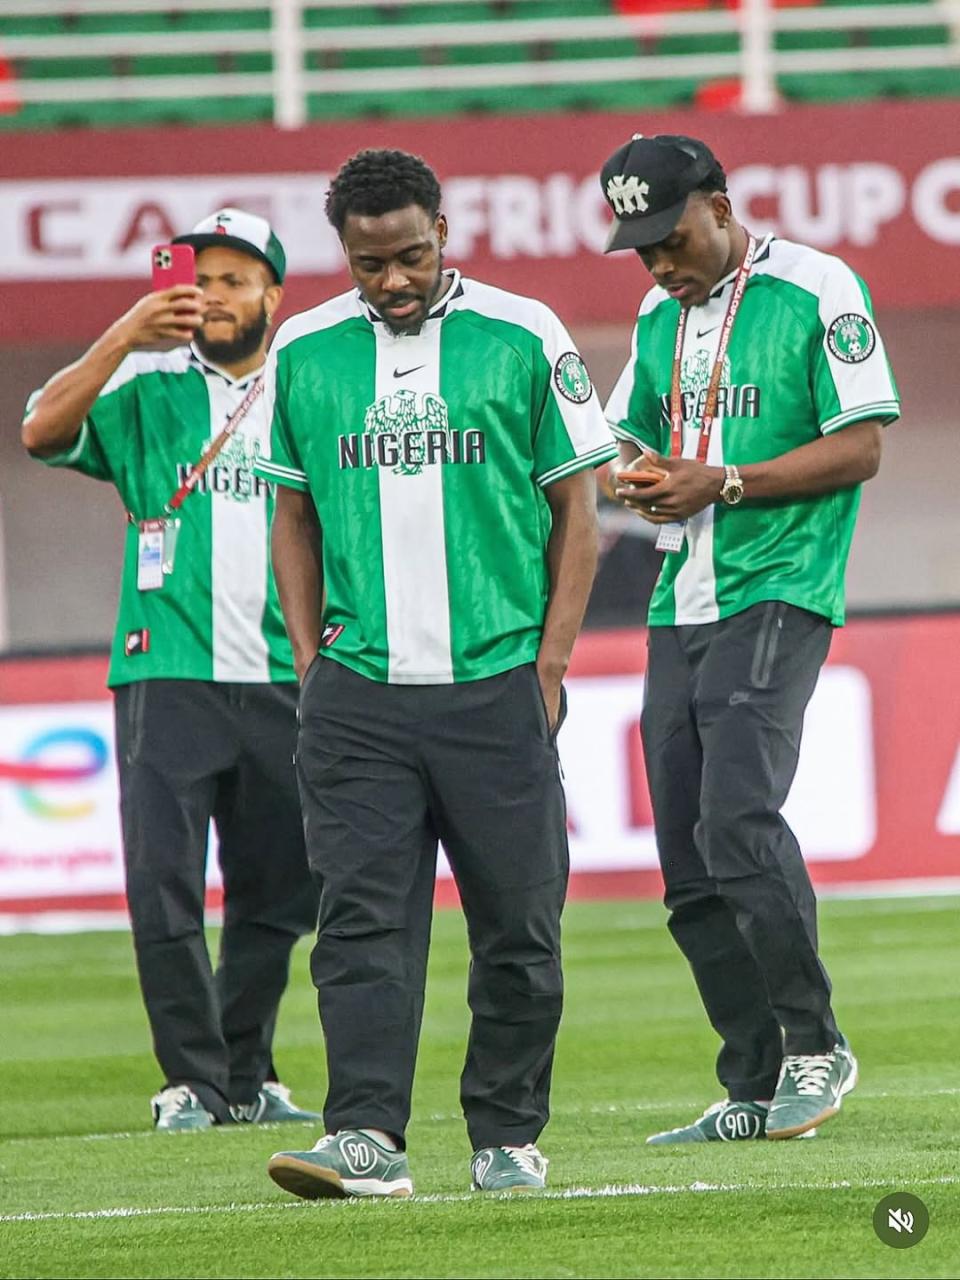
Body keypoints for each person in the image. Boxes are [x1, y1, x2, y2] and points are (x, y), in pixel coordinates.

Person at [256, 148, 617, 1199]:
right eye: (370, 263)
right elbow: (291, 514)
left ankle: (507, 1133)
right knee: (360, 925)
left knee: (521, 927)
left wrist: (549, 667)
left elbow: (577, 513)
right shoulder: (306, 348)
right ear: (344, 254)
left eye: (411, 255)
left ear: (443, 234)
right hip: (357, 695)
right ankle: (365, 1136)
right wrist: (312, 660)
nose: (394, 279)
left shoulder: (524, 334)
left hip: (497, 683)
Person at [600, 134, 900, 1143]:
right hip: (677, 600)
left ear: (721, 208)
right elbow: (631, 434)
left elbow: (861, 444)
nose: (660, 263)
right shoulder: (656, 317)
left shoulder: (818, 286)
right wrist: (630, 473)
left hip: (779, 586)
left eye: (672, 238)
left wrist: (723, 481)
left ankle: (817, 1046)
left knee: (736, 818)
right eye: (643, 249)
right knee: (687, 866)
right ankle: (754, 1083)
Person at [21, 209, 320, 1132]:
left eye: (235, 280)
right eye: (201, 279)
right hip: (168, 671)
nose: (214, 296)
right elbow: (39, 431)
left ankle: (245, 1073)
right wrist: (124, 334)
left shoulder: (310, 386)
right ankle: (193, 1079)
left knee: (279, 892)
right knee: (165, 883)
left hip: (287, 672)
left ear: (274, 295)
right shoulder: (144, 382)